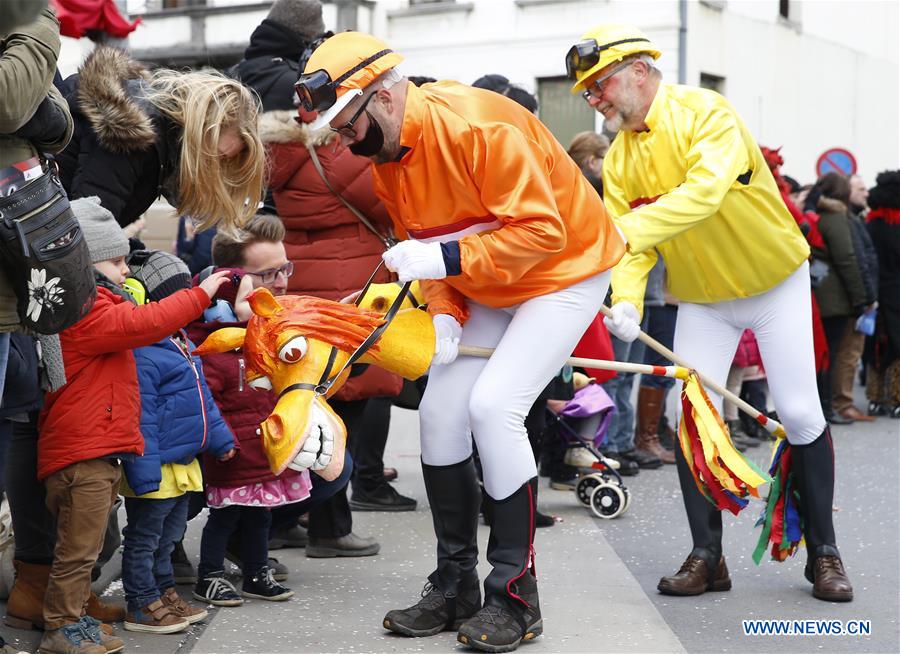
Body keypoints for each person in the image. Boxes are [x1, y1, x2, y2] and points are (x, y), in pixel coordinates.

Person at [296, 31, 624, 651]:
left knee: (492, 406)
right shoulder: (387, 158)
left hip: (567, 269)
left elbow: (541, 234)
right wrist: (444, 312)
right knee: (442, 413)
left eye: (345, 124)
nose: (341, 141)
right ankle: (454, 586)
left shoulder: (478, 128)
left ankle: (516, 596)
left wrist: (444, 258)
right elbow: (428, 255)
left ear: (384, 100)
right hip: (489, 278)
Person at [569, 23, 852, 601]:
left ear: (641, 72)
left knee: (799, 413)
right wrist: (624, 300)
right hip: (703, 297)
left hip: (775, 283)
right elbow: (635, 248)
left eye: (599, 85)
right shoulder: (621, 158)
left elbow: (702, 194)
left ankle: (824, 553)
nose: (594, 99)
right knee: (690, 416)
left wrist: (616, 234)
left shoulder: (707, 112)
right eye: (588, 92)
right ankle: (707, 556)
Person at [232, 4, 413, 513]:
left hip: (306, 267)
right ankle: (351, 498)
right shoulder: (331, 151)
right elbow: (381, 196)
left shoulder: (274, 149)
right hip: (354, 268)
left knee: (313, 383)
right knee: (369, 379)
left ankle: (295, 509)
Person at [35, 197, 229, 654]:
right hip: (82, 451)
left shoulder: (92, 302)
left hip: (95, 448)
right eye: (117, 260)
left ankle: (76, 614)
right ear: (84, 260)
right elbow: (147, 321)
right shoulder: (84, 309)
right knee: (78, 550)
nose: (127, 271)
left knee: (86, 546)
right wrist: (201, 294)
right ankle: (61, 627)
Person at [184, 215, 376, 592]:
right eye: (268, 274)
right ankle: (174, 549)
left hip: (263, 446)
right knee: (193, 498)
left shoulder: (285, 316)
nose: (283, 281)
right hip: (216, 451)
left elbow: (321, 375)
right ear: (230, 280)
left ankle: (251, 544)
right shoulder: (202, 331)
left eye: (285, 268)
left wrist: (348, 332)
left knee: (333, 466)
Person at [119, 251, 236, 633]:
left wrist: (220, 440)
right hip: (157, 467)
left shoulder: (179, 342)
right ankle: (140, 602)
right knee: (144, 539)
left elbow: (202, 399)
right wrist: (143, 473)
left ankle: (163, 590)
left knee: (170, 536)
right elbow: (143, 417)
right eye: (180, 295)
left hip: (183, 463)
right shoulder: (145, 353)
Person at [54, 45, 265, 236]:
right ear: (199, 129)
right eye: (216, 154)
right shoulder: (132, 135)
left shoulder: (157, 137)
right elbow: (91, 231)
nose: (216, 166)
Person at [806, 173, 873, 425]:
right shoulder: (835, 217)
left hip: (821, 293)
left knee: (824, 354)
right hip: (834, 298)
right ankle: (825, 409)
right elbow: (847, 259)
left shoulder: (817, 213)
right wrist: (860, 298)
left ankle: (823, 408)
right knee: (829, 356)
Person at [829, 174, 878, 422]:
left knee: (850, 353)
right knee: (848, 354)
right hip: (850, 299)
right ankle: (842, 403)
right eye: (861, 188)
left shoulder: (851, 218)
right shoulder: (844, 219)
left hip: (852, 297)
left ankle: (841, 401)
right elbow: (855, 260)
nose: (866, 193)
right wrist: (865, 297)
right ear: (847, 192)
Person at [864, 171, 900, 418]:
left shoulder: (869, 223)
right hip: (897, 291)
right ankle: (896, 396)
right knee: (898, 345)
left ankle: (875, 397)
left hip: (876, 290)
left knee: (876, 344)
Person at [567, 131, 609, 196]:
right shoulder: (596, 198)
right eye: (607, 159)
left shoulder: (566, 190)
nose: (612, 165)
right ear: (593, 162)